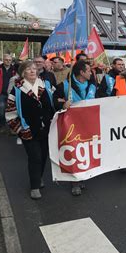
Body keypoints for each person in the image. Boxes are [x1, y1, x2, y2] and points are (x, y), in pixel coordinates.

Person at [6, 61, 55, 200]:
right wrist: (20, 130)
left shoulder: (45, 85)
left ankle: (38, 177)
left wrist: (64, 103)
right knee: (35, 157)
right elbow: (10, 112)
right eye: (29, 69)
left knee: (44, 155)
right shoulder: (17, 90)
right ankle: (34, 186)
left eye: (34, 68)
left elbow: (54, 102)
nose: (33, 71)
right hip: (28, 130)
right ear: (23, 73)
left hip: (46, 129)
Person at [53, 60, 97, 195]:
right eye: (89, 70)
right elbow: (54, 101)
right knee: (74, 152)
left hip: (89, 124)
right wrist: (62, 105)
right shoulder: (64, 86)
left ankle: (82, 175)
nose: (91, 72)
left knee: (86, 152)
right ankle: (75, 182)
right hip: (71, 127)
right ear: (82, 72)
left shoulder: (92, 85)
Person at [0, 54, 15, 129]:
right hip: (1, 93)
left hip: (11, 93)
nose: (8, 61)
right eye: (6, 60)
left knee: (10, 111)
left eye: (9, 60)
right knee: (1, 111)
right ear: (3, 60)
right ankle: (1, 125)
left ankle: (9, 127)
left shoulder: (13, 69)